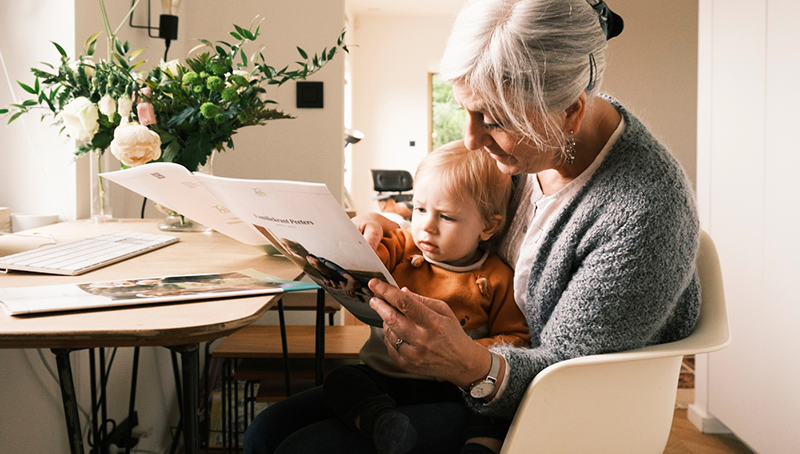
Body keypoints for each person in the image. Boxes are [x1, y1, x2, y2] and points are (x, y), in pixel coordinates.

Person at [243, 1, 701, 453]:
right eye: (466, 109)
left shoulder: (644, 211)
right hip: (468, 376)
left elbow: (568, 377)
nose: (470, 138)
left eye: (494, 121)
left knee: (302, 448)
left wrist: (466, 360)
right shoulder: (529, 145)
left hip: (554, 408)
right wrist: (384, 223)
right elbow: (451, 207)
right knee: (266, 431)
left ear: (570, 113)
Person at [322, 141, 530, 454]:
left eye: (446, 217)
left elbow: (516, 338)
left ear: (488, 226)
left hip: (453, 384)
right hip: (386, 375)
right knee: (342, 378)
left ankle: (479, 447)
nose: (427, 227)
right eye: (420, 209)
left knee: (492, 408)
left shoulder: (497, 276)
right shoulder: (404, 246)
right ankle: (382, 423)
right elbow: (370, 258)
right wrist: (352, 257)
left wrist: (468, 350)